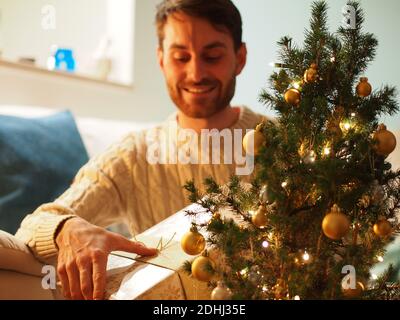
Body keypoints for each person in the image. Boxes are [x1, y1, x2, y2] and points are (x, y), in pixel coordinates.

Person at [15, 0, 268, 300]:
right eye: (180, 57)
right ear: (161, 60)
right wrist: (68, 229)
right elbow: (32, 226)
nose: (196, 72)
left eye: (212, 56)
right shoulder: (134, 154)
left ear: (240, 58)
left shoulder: (286, 141)